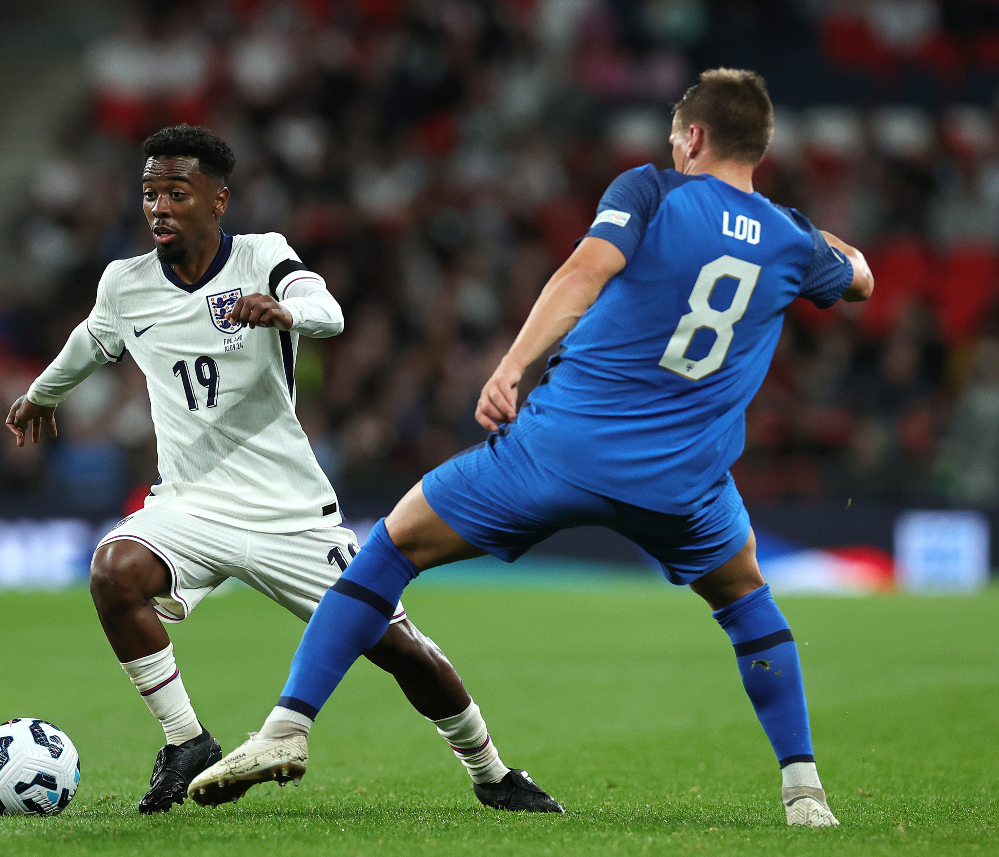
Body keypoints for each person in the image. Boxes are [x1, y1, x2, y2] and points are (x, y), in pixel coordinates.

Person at [192, 70, 874, 828]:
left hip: (561, 450)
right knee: (748, 604)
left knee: (390, 546)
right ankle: (805, 792)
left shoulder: (651, 190)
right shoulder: (790, 238)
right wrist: (814, 235)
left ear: (694, 137)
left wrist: (511, 367)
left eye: (676, 136)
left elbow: (586, 268)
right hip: (687, 482)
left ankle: (288, 726)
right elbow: (861, 280)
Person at [5, 124, 563, 815]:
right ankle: (187, 740)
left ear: (217, 201)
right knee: (114, 571)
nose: (158, 207)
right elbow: (90, 340)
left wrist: (285, 310)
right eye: (149, 193)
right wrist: (41, 394)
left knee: (398, 647)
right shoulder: (126, 284)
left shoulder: (262, 256)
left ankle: (492, 771)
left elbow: (327, 311)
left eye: (177, 192)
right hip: (191, 504)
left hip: (290, 512)